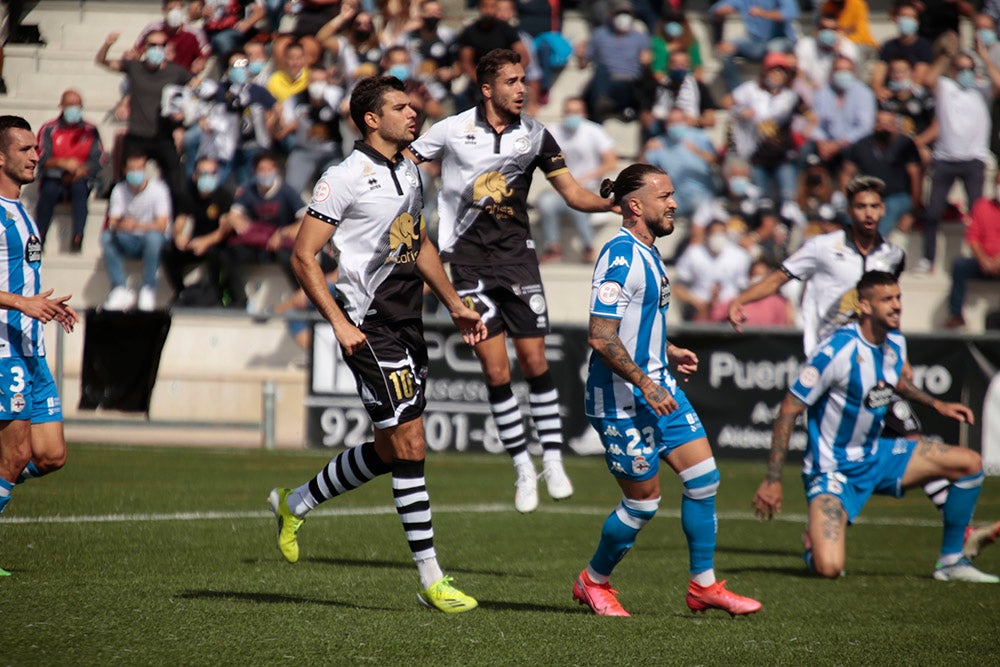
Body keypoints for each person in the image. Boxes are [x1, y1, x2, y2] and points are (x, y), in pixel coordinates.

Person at [267, 75, 487, 613]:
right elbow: (303, 256)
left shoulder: (411, 169)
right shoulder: (343, 177)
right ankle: (433, 579)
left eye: (412, 104)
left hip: (408, 323)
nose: (413, 113)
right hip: (369, 328)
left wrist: (454, 302)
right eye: (400, 107)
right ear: (371, 119)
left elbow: (417, 241)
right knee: (412, 447)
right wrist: (340, 325)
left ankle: (295, 503)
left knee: (392, 450)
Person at [408, 48, 613, 513]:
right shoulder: (452, 130)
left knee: (535, 360)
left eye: (524, 80)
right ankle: (523, 467)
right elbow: (404, 161)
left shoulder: (536, 136)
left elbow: (574, 193)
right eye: (513, 81)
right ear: (487, 88)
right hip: (465, 262)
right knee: (496, 370)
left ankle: (553, 459)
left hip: (517, 259)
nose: (522, 89)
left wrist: (611, 203)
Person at [572, 163, 762, 617]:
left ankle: (704, 586)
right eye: (665, 196)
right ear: (635, 206)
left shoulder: (650, 252)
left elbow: (633, 325)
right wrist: (644, 381)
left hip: (659, 389)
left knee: (704, 480)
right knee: (644, 504)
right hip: (621, 400)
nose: (674, 203)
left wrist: (668, 349)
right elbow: (600, 335)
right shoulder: (620, 255)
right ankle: (592, 582)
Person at [752, 270, 998, 583]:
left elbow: (895, 381)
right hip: (833, 470)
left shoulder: (894, 341)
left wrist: (937, 404)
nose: (897, 305)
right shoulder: (835, 351)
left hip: (876, 456)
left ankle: (951, 561)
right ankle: (813, 542)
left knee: (968, 462)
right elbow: (789, 408)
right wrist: (772, 479)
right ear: (865, 307)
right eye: (887, 300)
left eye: (898, 298)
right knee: (829, 568)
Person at [0, 115, 79, 576]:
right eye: (26, 149)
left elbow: (20, 279)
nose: (37, 155)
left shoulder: (23, 210)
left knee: (50, 455)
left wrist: (45, 306)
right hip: (4, 349)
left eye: (36, 148)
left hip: (32, 347)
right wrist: (21, 304)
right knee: (15, 455)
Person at [918, 47, 1000, 273]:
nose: (965, 72)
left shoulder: (982, 89)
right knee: (933, 212)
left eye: (969, 69)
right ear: (953, 71)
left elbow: (999, 85)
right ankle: (928, 259)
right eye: (961, 68)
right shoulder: (946, 87)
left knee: (978, 213)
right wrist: (945, 55)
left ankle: (982, 257)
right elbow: (928, 79)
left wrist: (983, 58)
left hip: (974, 160)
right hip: (945, 159)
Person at [95, 30, 192, 203]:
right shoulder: (135, 67)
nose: (157, 49)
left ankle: (174, 223)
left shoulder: (176, 72)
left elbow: (197, 88)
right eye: (152, 45)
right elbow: (102, 62)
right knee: (127, 184)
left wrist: (183, 117)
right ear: (145, 47)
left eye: (161, 45)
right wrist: (108, 44)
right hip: (138, 136)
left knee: (177, 186)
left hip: (163, 135)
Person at [536, 96, 617, 264]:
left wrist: (584, 179)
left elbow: (611, 162)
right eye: (569, 112)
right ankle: (553, 247)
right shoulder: (554, 131)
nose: (572, 116)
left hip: (589, 187)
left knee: (578, 205)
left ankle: (588, 247)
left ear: (584, 113)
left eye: (576, 112)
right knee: (545, 202)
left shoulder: (594, 131)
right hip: (562, 189)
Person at [34, 89, 105, 252]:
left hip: (80, 176)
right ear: (61, 106)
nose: (74, 108)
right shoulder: (49, 129)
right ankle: (40, 237)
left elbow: (99, 159)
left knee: (80, 189)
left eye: (77, 105)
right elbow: (42, 158)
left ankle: (77, 238)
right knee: (49, 190)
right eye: (70, 104)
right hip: (53, 176)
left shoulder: (91, 130)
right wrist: (63, 163)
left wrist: (82, 169)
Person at [101, 152, 171, 312]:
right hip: (129, 239)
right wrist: (123, 224)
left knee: (154, 238)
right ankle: (120, 288)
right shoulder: (119, 190)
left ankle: (148, 289)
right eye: (132, 169)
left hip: (152, 241)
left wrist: (136, 225)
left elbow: (162, 225)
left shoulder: (159, 189)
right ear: (125, 170)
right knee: (107, 238)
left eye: (139, 169)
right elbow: (113, 221)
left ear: (145, 169)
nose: (135, 173)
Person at [841, 109, 922, 240]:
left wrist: (913, 212)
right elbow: (846, 173)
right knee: (852, 212)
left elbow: (916, 176)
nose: (884, 127)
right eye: (880, 123)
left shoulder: (906, 145)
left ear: (896, 125)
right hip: (868, 195)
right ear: (874, 125)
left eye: (889, 123)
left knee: (888, 208)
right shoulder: (861, 145)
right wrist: (849, 199)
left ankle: (874, 242)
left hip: (897, 196)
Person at [161, 156, 232, 305]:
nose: (208, 177)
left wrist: (205, 242)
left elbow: (224, 230)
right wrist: (178, 236)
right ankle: (180, 291)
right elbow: (180, 220)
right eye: (203, 173)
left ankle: (218, 295)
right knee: (168, 250)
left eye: (212, 173)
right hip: (194, 242)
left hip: (216, 243)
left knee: (219, 254)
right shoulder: (187, 194)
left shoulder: (224, 197)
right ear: (195, 176)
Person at [944, 171, 1000, 328]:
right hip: (983, 263)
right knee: (960, 265)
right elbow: (972, 237)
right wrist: (983, 260)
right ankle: (956, 315)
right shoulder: (982, 205)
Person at [710, 0, 800, 92]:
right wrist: (721, 12)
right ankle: (737, 92)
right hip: (755, 42)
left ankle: (774, 92)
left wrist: (764, 13)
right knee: (725, 49)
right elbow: (714, 10)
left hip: (782, 40)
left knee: (773, 48)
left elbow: (791, 13)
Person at [673, 220, 751, 322]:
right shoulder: (693, 253)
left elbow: (743, 287)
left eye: (721, 234)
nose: (718, 237)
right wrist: (695, 302)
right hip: (699, 308)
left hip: (728, 307)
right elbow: (678, 287)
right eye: (714, 234)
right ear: (706, 235)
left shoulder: (740, 255)